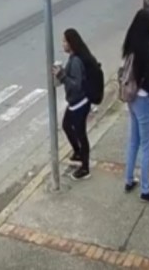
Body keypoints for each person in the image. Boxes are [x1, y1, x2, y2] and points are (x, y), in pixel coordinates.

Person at [121, 9, 149, 203]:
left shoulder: (130, 46)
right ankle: (146, 189)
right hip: (144, 99)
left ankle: (129, 179)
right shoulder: (147, 47)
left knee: (134, 141)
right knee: (147, 146)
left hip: (131, 98)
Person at [53, 28, 94, 181]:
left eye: (64, 41)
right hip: (74, 103)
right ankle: (77, 152)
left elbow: (76, 85)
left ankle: (85, 167)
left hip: (79, 103)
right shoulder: (73, 57)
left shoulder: (76, 61)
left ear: (71, 43)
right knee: (66, 125)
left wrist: (61, 76)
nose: (62, 44)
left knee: (80, 134)